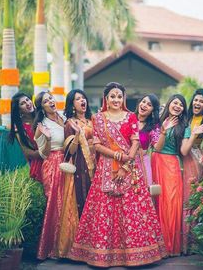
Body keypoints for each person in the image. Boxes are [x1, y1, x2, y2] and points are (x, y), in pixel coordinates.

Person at [68, 82, 167, 267]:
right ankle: (103, 255)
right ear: (106, 98)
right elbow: (96, 145)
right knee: (105, 211)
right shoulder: (98, 118)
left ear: (123, 98)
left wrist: (126, 164)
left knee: (132, 211)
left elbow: (135, 142)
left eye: (119, 96)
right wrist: (116, 155)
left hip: (130, 170)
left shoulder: (131, 117)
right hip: (105, 168)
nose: (116, 99)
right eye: (112, 96)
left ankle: (135, 255)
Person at [151, 94, 203, 256]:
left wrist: (194, 134)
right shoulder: (158, 121)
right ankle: (155, 245)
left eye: (181, 105)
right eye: (175, 103)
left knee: (171, 204)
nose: (177, 106)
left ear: (183, 109)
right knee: (156, 202)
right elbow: (156, 147)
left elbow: (183, 151)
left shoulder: (185, 126)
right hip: (156, 162)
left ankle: (169, 247)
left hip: (172, 164)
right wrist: (164, 129)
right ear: (169, 104)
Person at [34, 91, 78, 259]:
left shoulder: (63, 117)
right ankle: (54, 249)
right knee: (56, 204)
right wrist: (47, 138)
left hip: (67, 162)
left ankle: (70, 246)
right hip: (52, 164)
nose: (51, 101)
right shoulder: (41, 125)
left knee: (68, 202)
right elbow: (43, 154)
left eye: (51, 97)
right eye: (46, 101)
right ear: (42, 107)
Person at [182, 88, 203, 254]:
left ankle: (191, 243)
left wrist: (202, 160)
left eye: (201, 101)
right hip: (178, 158)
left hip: (194, 159)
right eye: (196, 100)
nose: (197, 103)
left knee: (191, 197)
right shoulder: (186, 117)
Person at [64, 89, 95, 217]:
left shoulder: (92, 120)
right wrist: (77, 135)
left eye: (83, 98)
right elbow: (70, 152)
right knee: (85, 200)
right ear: (72, 105)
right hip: (82, 167)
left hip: (98, 164)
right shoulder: (70, 124)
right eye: (78, 99)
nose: (82, 100)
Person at [9, 92, 43, 182]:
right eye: (22, 103)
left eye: (27, 100)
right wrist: (48, 152)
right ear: (18, 110)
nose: (27, 104)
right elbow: (28, 153)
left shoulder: (42, 116)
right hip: (39, 164)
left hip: (57, 158)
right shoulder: (20, 129)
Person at [135, 94, 161, 186]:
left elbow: (157, 147)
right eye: (143, 101)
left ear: (153, 110)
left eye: (149, 105)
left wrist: (164, 134)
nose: (144, 105)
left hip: (143, 163)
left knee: (144, 191)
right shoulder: (128, 119)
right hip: (126, 162)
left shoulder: (154, 126)